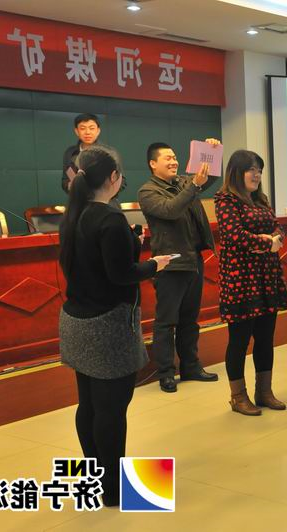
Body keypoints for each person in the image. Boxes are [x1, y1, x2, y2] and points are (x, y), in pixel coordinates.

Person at [57, 145, 172, 506]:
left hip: (76, 321)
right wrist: (154, 264)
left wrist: (129, 245)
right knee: (111, 410)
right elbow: (121, 274)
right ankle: (112, 490)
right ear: (112, 178)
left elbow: (97, 264)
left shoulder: (73, 215)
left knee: (89, 405)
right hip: (107, 326)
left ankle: (94, 478)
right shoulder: (110, 219)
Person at [138, 139, 221, 393]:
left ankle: (191, 366)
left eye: (175, 157)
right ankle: (166, 372)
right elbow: (171, 210)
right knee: (166, 322)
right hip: (170, 264)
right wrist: (194, 185)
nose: (174, 161)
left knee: (190, 320)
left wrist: (212, 151)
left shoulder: (184, 182)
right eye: (168, 158)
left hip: (193, 259)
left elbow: (211, 176)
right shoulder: (147, 191)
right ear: (153, 164)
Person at [215, 150, 287, 416]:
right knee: (239, 340)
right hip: (241, 280)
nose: (257, 175)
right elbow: (234, 235)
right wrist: (267, 242)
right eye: (251, 170)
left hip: (266, 277)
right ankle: (238, 397)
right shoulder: (225, 200)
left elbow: (279, 227)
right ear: (237, 172)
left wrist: (275, 237)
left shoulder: (260, 199)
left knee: (265, 338)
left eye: (259, 170)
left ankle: (264, 392)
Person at [62, 114, 102, 193]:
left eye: (91, 128)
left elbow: (121, 182)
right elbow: (65, 179)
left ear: (98, 131)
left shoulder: (109, 152)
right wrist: (70, 186)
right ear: (77, 131)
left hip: (103, 199)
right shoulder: (70, 153)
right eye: (83, 128)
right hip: (78, 198)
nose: (87, 132)